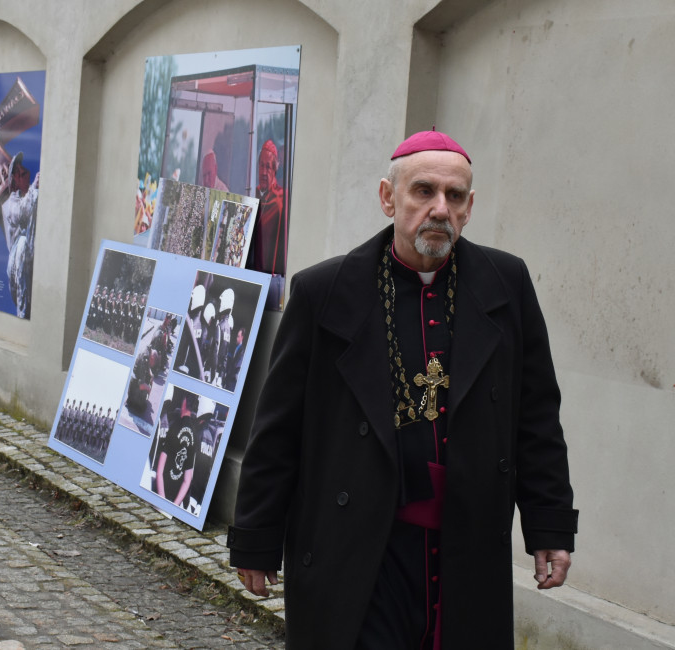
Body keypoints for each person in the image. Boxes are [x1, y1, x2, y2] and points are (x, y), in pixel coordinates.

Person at [227, 130, 577, 649]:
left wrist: (549, 526)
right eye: (423, 191)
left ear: (469, 207)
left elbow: (536, 418)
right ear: (389, 198)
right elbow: (278, 428)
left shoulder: (507, 284)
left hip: (465, 542)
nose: (440, 209)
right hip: (362, 544)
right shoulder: (323, 292)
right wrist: (255, 537)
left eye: (454, 196)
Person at [1, 152, 39, 318]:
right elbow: (21, 214)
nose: (24, 173)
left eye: (24, 171)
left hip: (35, 265)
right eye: (19, 173)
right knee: (23, 243)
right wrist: (35, 187)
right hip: (20, 268)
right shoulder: (11, 203)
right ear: (15, 180)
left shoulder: (33, 196)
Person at [249, 139, 286, 277]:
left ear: (275, 169)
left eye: (269, 167)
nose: (264, 172)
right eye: (262, 165)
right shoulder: (252, 195)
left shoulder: (281, 200)